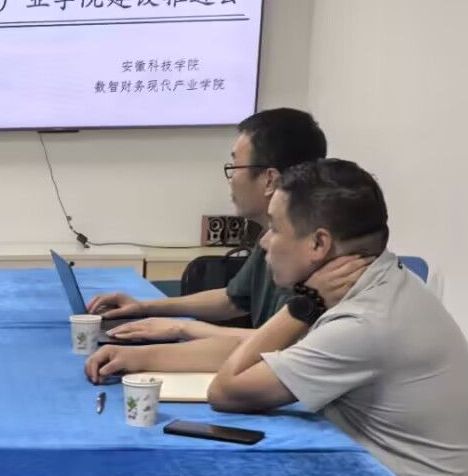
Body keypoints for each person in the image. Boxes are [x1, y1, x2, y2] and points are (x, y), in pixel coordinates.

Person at [208, 159, 468, 476]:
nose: (264, 242)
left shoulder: (364, 323)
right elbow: (267, 355)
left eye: (275, 227)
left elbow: (225, 391)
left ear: (319, 243)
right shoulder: (386, 279)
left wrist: (303, 305)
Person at [83, 106, 328, 385]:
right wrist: (144, 307)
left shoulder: (308, 253)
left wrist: (179, 330)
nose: (230, 180)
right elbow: (234, 299)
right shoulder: (272, 237)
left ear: (270, 179)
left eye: (234, 167)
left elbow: (281, 347)